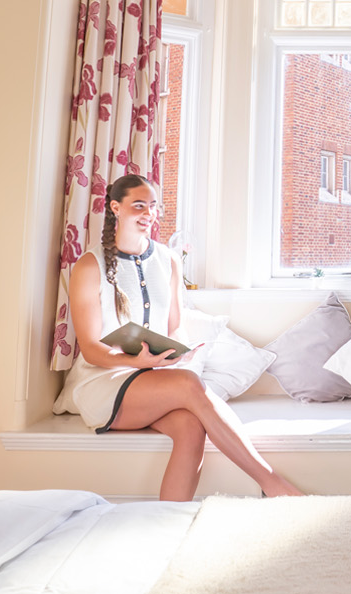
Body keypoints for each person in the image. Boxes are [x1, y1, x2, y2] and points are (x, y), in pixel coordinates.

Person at [56, 174, 301, 500]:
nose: (149, 214)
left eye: (154, 206)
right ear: (115, 207)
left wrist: (176, 352)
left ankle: (169, 521)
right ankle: (273, 484)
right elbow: (89, 349)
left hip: (154, 379)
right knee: (188, 384)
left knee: (190, 427)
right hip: (103, 382)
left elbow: (174, 327)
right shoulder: (90, 265)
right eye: (139, 205)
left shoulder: (168, 259)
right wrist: (134, 360)